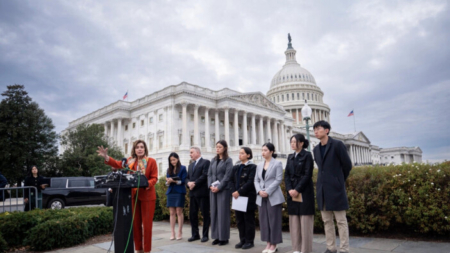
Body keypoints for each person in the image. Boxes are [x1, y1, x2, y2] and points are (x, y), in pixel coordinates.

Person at [97, 140, 158, 253]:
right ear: (134, 149)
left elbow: (154, 178)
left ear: (145, 149)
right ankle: (139, 249)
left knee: (147, 227)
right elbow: (117, 164)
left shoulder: (151, 161)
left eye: (142, 147)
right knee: (135, 225)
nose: (140, 149)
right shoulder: (130, 161)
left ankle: (147, 251)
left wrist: (146, 184)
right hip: (133, 196)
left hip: (147, 197)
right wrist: (106, 157)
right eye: (137, 147)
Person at [313, 121, 352, 253]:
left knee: (341, 221)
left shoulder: (337, 145)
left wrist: (338, 181)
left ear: (327, 130)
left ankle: (344, 249)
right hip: (322, 190)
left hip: (336, 189)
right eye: (314, 130)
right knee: (327, 221)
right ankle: (331, 248)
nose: (316, 132)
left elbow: (347, 165)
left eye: (318, 129)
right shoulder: (316, 149)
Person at [284, 134, 315, 253]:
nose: (292, 144)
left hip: (304, 192)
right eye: (291, 142)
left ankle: (305, 250)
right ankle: (296, 248)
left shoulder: (307, 155)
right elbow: (286, 174)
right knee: (294, 222)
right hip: (292, 192)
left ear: (301, 143)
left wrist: (297, 189)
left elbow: (307, 175)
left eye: (294, 142)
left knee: (305, 222)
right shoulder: (290, 157)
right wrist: (290, 189)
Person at [254, 143, 285, 253]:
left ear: (271, 151)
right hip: (261, 197)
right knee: (264, 221)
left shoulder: (277, 163)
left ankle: (274, 244)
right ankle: (268, 243)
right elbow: (256, 180)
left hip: (273, 196)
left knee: (274, 221)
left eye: (265, 150)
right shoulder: (259, 165)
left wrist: (267, 191)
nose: (263, 152)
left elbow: (278, 180)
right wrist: (259, 191)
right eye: (262, 150)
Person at [207, 140, 233, 246]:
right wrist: (210, 186)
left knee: (223, 214)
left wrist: (219, 187)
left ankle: (224, 237)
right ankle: (216, 236)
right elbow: (209, 174)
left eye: (220, 147)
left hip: (223, 190)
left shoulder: (228, 160)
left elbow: (227, 176)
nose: (217, 149)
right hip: (213, 190)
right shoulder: (213, 160)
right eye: (216, 147)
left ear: (225, 148)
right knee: (214, 213)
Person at [231, 147, 257, 250]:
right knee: (239, 220)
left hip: (247, 197)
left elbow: (250, 182)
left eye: (242, 153)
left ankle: (249, 241)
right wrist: (233, 191)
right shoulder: (236, 167)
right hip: (237, 198)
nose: (240, 155)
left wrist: (239, 191)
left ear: (248, 155)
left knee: (248, 220)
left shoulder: (252, 167)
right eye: (239, 153)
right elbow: (231, 180)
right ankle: (242, 240)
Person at [186, 146, 211, 243]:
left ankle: (205, 235)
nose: (190, 154)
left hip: (202, 193)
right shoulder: (190, 165)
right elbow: (187, 177)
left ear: (197, 153)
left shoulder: (205, 162)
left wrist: (194, 183)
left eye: (192, 152)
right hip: (192, 193)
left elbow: (205, 175)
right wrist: (188, 183)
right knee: (192, 215)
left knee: (205, 214)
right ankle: (195, 234)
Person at [165, 152, 187, 240]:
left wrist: (173, 181)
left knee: (179, 212)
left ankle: (180, 232)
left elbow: (183, 181)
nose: (173, 162)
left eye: (174, 159)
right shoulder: (168, 169)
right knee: (172, 213)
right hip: (171, 192)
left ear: (177, 159)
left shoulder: (183, 168)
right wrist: (168, 182)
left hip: (179, 192)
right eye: (171, 160)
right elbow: (166, 183)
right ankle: (172, 232)